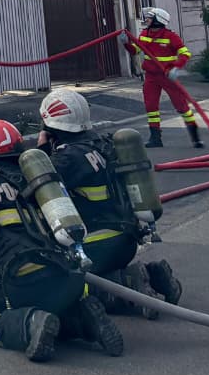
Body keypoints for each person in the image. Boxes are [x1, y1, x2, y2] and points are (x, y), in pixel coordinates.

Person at [0, 118, 124, 361]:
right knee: (55, 306)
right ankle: (83, 319)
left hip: (22, 281)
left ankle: (30, 325)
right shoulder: (42, 179)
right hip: (67, 276)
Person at [38, 88, 183, 316]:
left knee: (64, 291)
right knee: (96, 277)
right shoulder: (105, 143)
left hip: (92, 248)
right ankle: (153, 274)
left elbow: (36, 189)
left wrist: (41, 151)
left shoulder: (65, 160)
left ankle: (129, 283)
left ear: (50, 126)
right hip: (127, 239)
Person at [126, 7, 203, 148]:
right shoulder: (144, 34)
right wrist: (125, 43)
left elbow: (185, 54)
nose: (147, 20)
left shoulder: (170, 36)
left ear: (158, 20)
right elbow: (136, 50)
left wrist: (176, 68)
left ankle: (195, 137)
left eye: (150, 18)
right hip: (151, 77)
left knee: (182, 106)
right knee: (151, 107)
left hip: (167, 76)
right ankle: (155, 138)